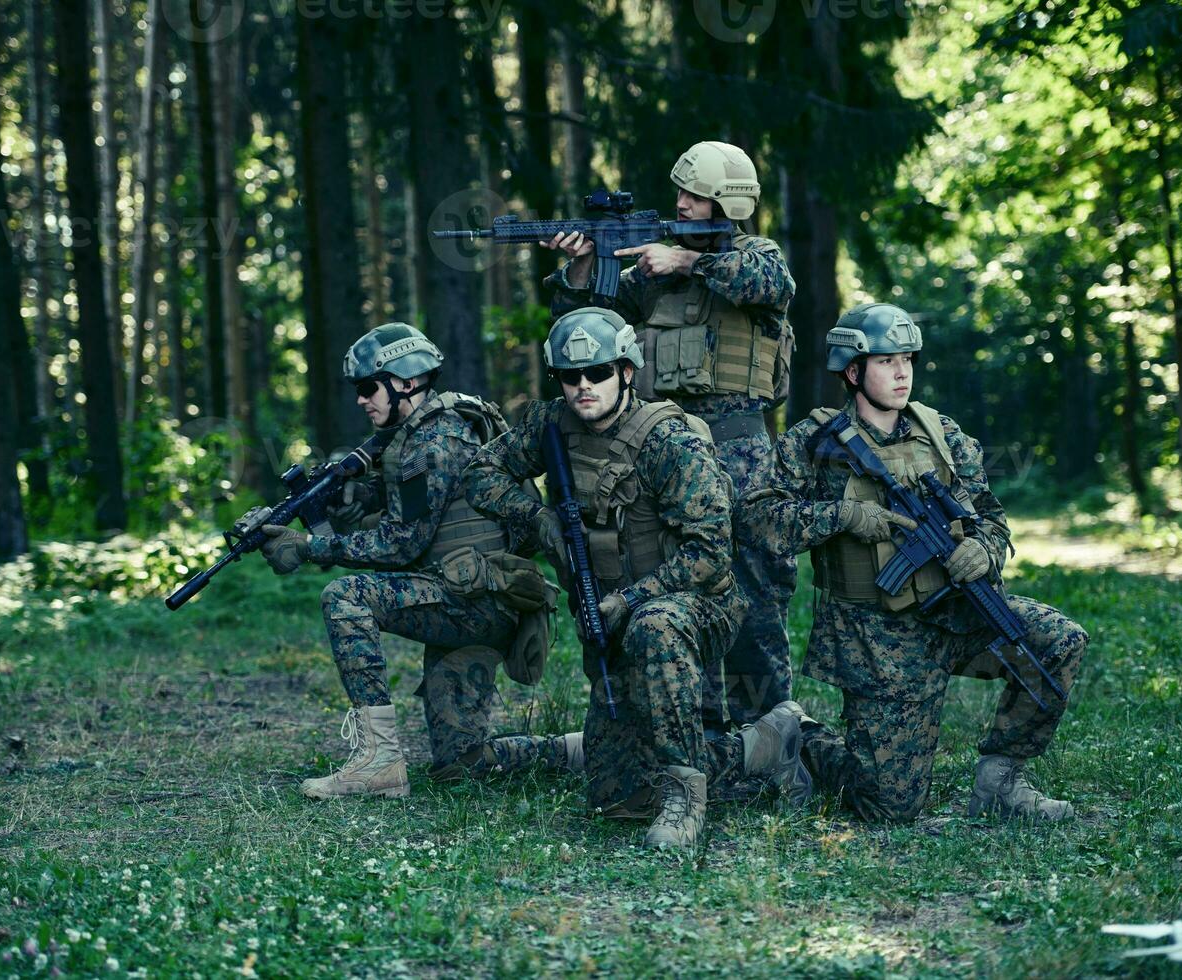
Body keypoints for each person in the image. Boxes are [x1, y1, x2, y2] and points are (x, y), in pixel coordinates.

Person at [464, 307, 810, 849]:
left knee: (656, 624)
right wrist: (538, 518)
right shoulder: (550, 426)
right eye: (569, 376)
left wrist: (632, 598)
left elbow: (711, 554)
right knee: (616, 795)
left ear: (627, 371)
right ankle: (765, 743)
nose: (583, 386)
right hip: (611, 616)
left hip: (696, 607)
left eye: (598, 372)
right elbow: (480, 474)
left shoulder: (670, 441)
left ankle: (685, 798)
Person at [737, 303, 1088, 822]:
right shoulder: (816, 443)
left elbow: (991, 515)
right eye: (885, 361)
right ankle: (798, 736)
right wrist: (843, 516)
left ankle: (1002, 782)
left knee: (1057, 641)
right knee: (887, 808)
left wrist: (983, 549)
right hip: (878, 637)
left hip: (955, 610)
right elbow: (757, 520)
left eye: (907, 359)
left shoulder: (940, 432)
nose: (902, 373)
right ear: (853, 371)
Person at [238, 323, 568, 799]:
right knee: (462, 763)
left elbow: (401, 546)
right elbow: (420, 511)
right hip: (474, 597)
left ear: (407, 382)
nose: (360, 400)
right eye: (358, 389)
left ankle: (379, 761)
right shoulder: (420, 435)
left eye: (369, 387)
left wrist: (309, 548)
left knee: (346, 597)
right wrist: (359, 498)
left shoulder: (435, 441)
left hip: (474, 602)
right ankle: (581, 749)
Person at [542, 140, 796, 728]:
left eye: (695, 196)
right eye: (680, 191)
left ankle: (772, 731)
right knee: (672, 577)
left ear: (726, 205)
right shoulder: (653, 271)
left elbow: (770, 283)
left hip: (740, 453)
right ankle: (698, 728)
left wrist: (687, 261)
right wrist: (581, 267)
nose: (680, 203)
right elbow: (592, 321)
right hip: (665, 453)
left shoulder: (755, 254)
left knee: (754, 588)